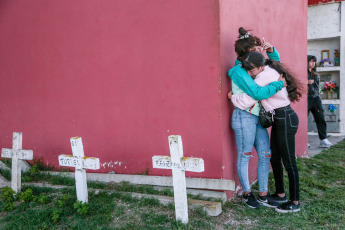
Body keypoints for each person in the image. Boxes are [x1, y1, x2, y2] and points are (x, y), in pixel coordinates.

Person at [229, 51, 304, 213]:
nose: (249, 73)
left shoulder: (264, 76)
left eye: (252, 70)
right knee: (275, 158)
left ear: (261, 67)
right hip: (278, 118)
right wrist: (272, 51)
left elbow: (250, 98)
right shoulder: (265, 70)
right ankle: (280, 195)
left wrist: (232, 97)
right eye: (248, 70)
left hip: (285, 117)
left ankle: (295, 202)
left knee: (288, 161)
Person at [228, 27, 286, 209]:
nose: (259, 53)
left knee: (265, 154)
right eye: (255, 50)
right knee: (245, 155)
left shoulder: (254, 67)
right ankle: (246, 193)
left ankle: (263, 194)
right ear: (246, 53)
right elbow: (256, 92)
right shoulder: (238, 71)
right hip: (243, 117)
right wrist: (279, 85)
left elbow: (270, 68)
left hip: (258, 117)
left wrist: (271, 51)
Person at [308, 55, 332, 148]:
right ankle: (304, 141)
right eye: (310, 61)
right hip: (307, 98)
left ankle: (323, 139)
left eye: (314, 61)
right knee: (304, 120)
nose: (313, 63)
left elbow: (316, 86)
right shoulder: (304, 73)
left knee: (320, 118)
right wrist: (306, 81)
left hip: (316, 98)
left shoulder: (315, 73)